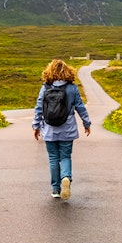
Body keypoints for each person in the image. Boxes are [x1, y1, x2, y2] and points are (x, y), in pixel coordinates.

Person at [33, 59, 92, 200]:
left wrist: (36, 126)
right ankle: (66, 177)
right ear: (67, 71)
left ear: (49, 71)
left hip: (49, 129)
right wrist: (86, 123)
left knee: (53, 158)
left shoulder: (45, 87)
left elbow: (39, 108)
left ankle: (55, 189)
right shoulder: (72, 88)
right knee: (65, 156)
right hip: (68, 128)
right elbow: (80, 107)